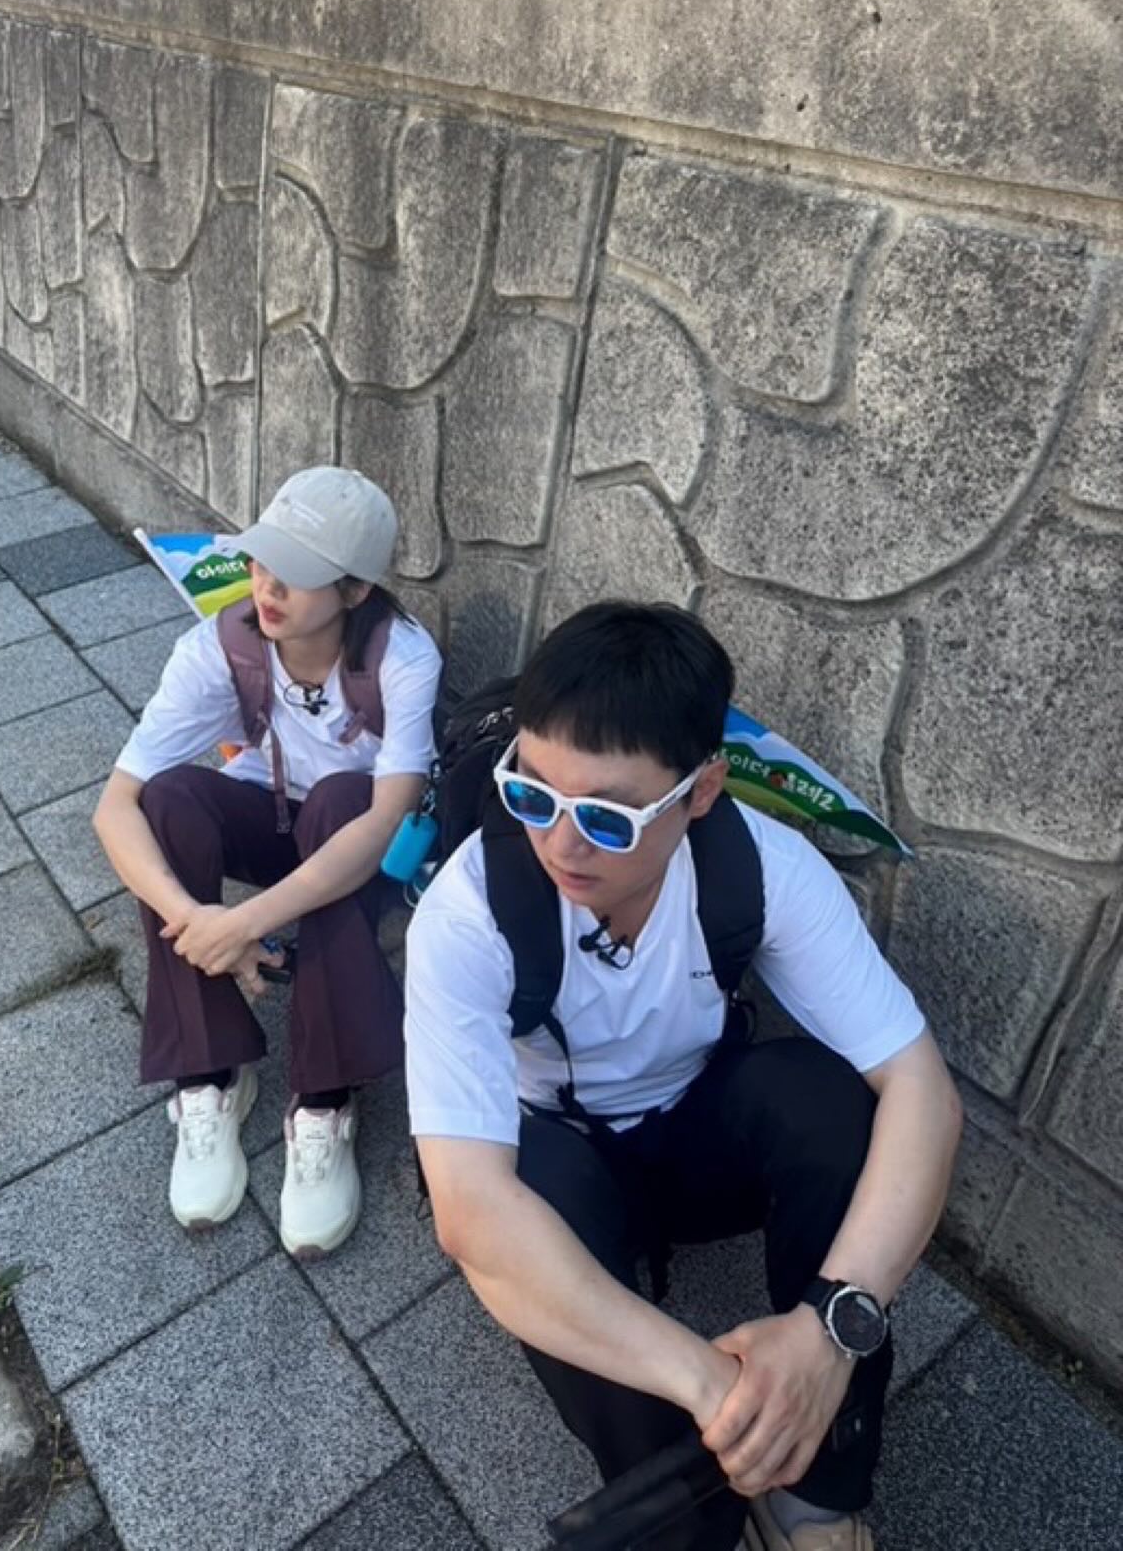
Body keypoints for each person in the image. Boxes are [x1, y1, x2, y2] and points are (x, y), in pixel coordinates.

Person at [405, 602, 962, 1551]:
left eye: (608, 816)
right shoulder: (469, 914)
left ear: (701, 792)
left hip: (693, 1130)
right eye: (532, 794)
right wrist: (718, 1387)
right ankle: (696, 1524)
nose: (561, 843)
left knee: (827, 1100)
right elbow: (470, 1211)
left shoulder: (761, 869)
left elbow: (924, 1093)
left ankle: (816, 1494)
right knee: (526, 1196)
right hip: (562, 1156)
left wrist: (830, 1331)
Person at [95, 466, 441, 1255]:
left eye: (300, 573)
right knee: (169, 800)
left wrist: (248, 920)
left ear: (355, 590)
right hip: (273, 818)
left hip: (356, 844)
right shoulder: (219, 646)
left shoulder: (404, 658)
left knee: (345, 800)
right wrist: (203, 926)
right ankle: (209, 1073)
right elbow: (115, 807)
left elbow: (388, 818)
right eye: (262, 559)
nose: (269, 586)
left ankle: (322, 1099)